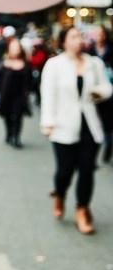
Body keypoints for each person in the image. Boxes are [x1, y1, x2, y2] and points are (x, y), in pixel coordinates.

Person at [40, 26, 112, 235]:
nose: (79, 40)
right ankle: (60, 194)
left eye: (80, 36)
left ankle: (82, 209)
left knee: (87, 168)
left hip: (90, 124)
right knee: (65, 170)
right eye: (73, 36)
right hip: (63, 125)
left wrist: (99, 92)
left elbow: (107, 86)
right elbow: (48, 94)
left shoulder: (94, 63)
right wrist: (47, 121)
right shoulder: (54, 65)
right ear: (63, 42)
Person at [0, 38, 32, 148]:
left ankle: (16, 137)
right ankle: (9, 133)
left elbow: (29, 80)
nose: (15, 50)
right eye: (13, 48)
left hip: (19, 94)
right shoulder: (3, 63)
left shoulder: (25, 64)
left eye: (17, 48)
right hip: (6, 94)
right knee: (7, 115)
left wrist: (28, 92)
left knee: (18, 116)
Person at [87, 25, 113, 163]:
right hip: (96, 90)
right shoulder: (89, 51)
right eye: (96, 33)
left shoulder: (110, 49)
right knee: (96, 119)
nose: (99, 36)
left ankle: (108, 144)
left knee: (108, 121)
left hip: (110, 90)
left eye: (101, 33)